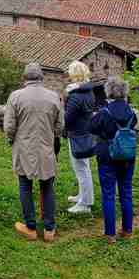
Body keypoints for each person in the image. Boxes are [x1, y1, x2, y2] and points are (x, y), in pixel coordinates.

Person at [4, 63, 63, 242]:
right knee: (47, 186)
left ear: (24, 78)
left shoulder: (15, 97)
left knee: (25, 185)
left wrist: (11, 139)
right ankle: (49, 229)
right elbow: (60, 126)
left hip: (24, 147)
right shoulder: (54, 97)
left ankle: (30, 227)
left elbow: (9, 126)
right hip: (46, 145)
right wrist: (54, 138)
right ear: (41, 78)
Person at [89, 76, 138, 242]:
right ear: (125, 92)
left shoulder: (104, 113)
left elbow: (91, 127)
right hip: (127, 156)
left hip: (107, 156)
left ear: (108, 92)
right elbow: (133, 125)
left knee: (108, 194)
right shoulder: (131, 112)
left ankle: (110, 233)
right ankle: (127, 229)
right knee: (126, 192)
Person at [63, 61, 96, 215]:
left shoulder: (76, 96)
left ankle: (85, 203)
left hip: (77, 134)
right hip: (85, 132)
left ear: (74, 75)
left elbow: (67, 118)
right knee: (84, 167)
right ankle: (83, 196)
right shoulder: (88, 91)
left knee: (81, 168)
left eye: (70, 72)